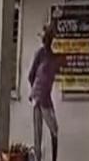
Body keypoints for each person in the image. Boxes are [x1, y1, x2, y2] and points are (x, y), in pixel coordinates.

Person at [29, 24, 59, 161]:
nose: (47, 41)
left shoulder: (52, 56)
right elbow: (31, 74)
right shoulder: (40, 54)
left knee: (54, 128)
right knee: (38, 132)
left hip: (46, 96)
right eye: (46, 38)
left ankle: (53, 158)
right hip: (38, 95)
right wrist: (35, 91)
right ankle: (38, 158)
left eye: (49, 38)